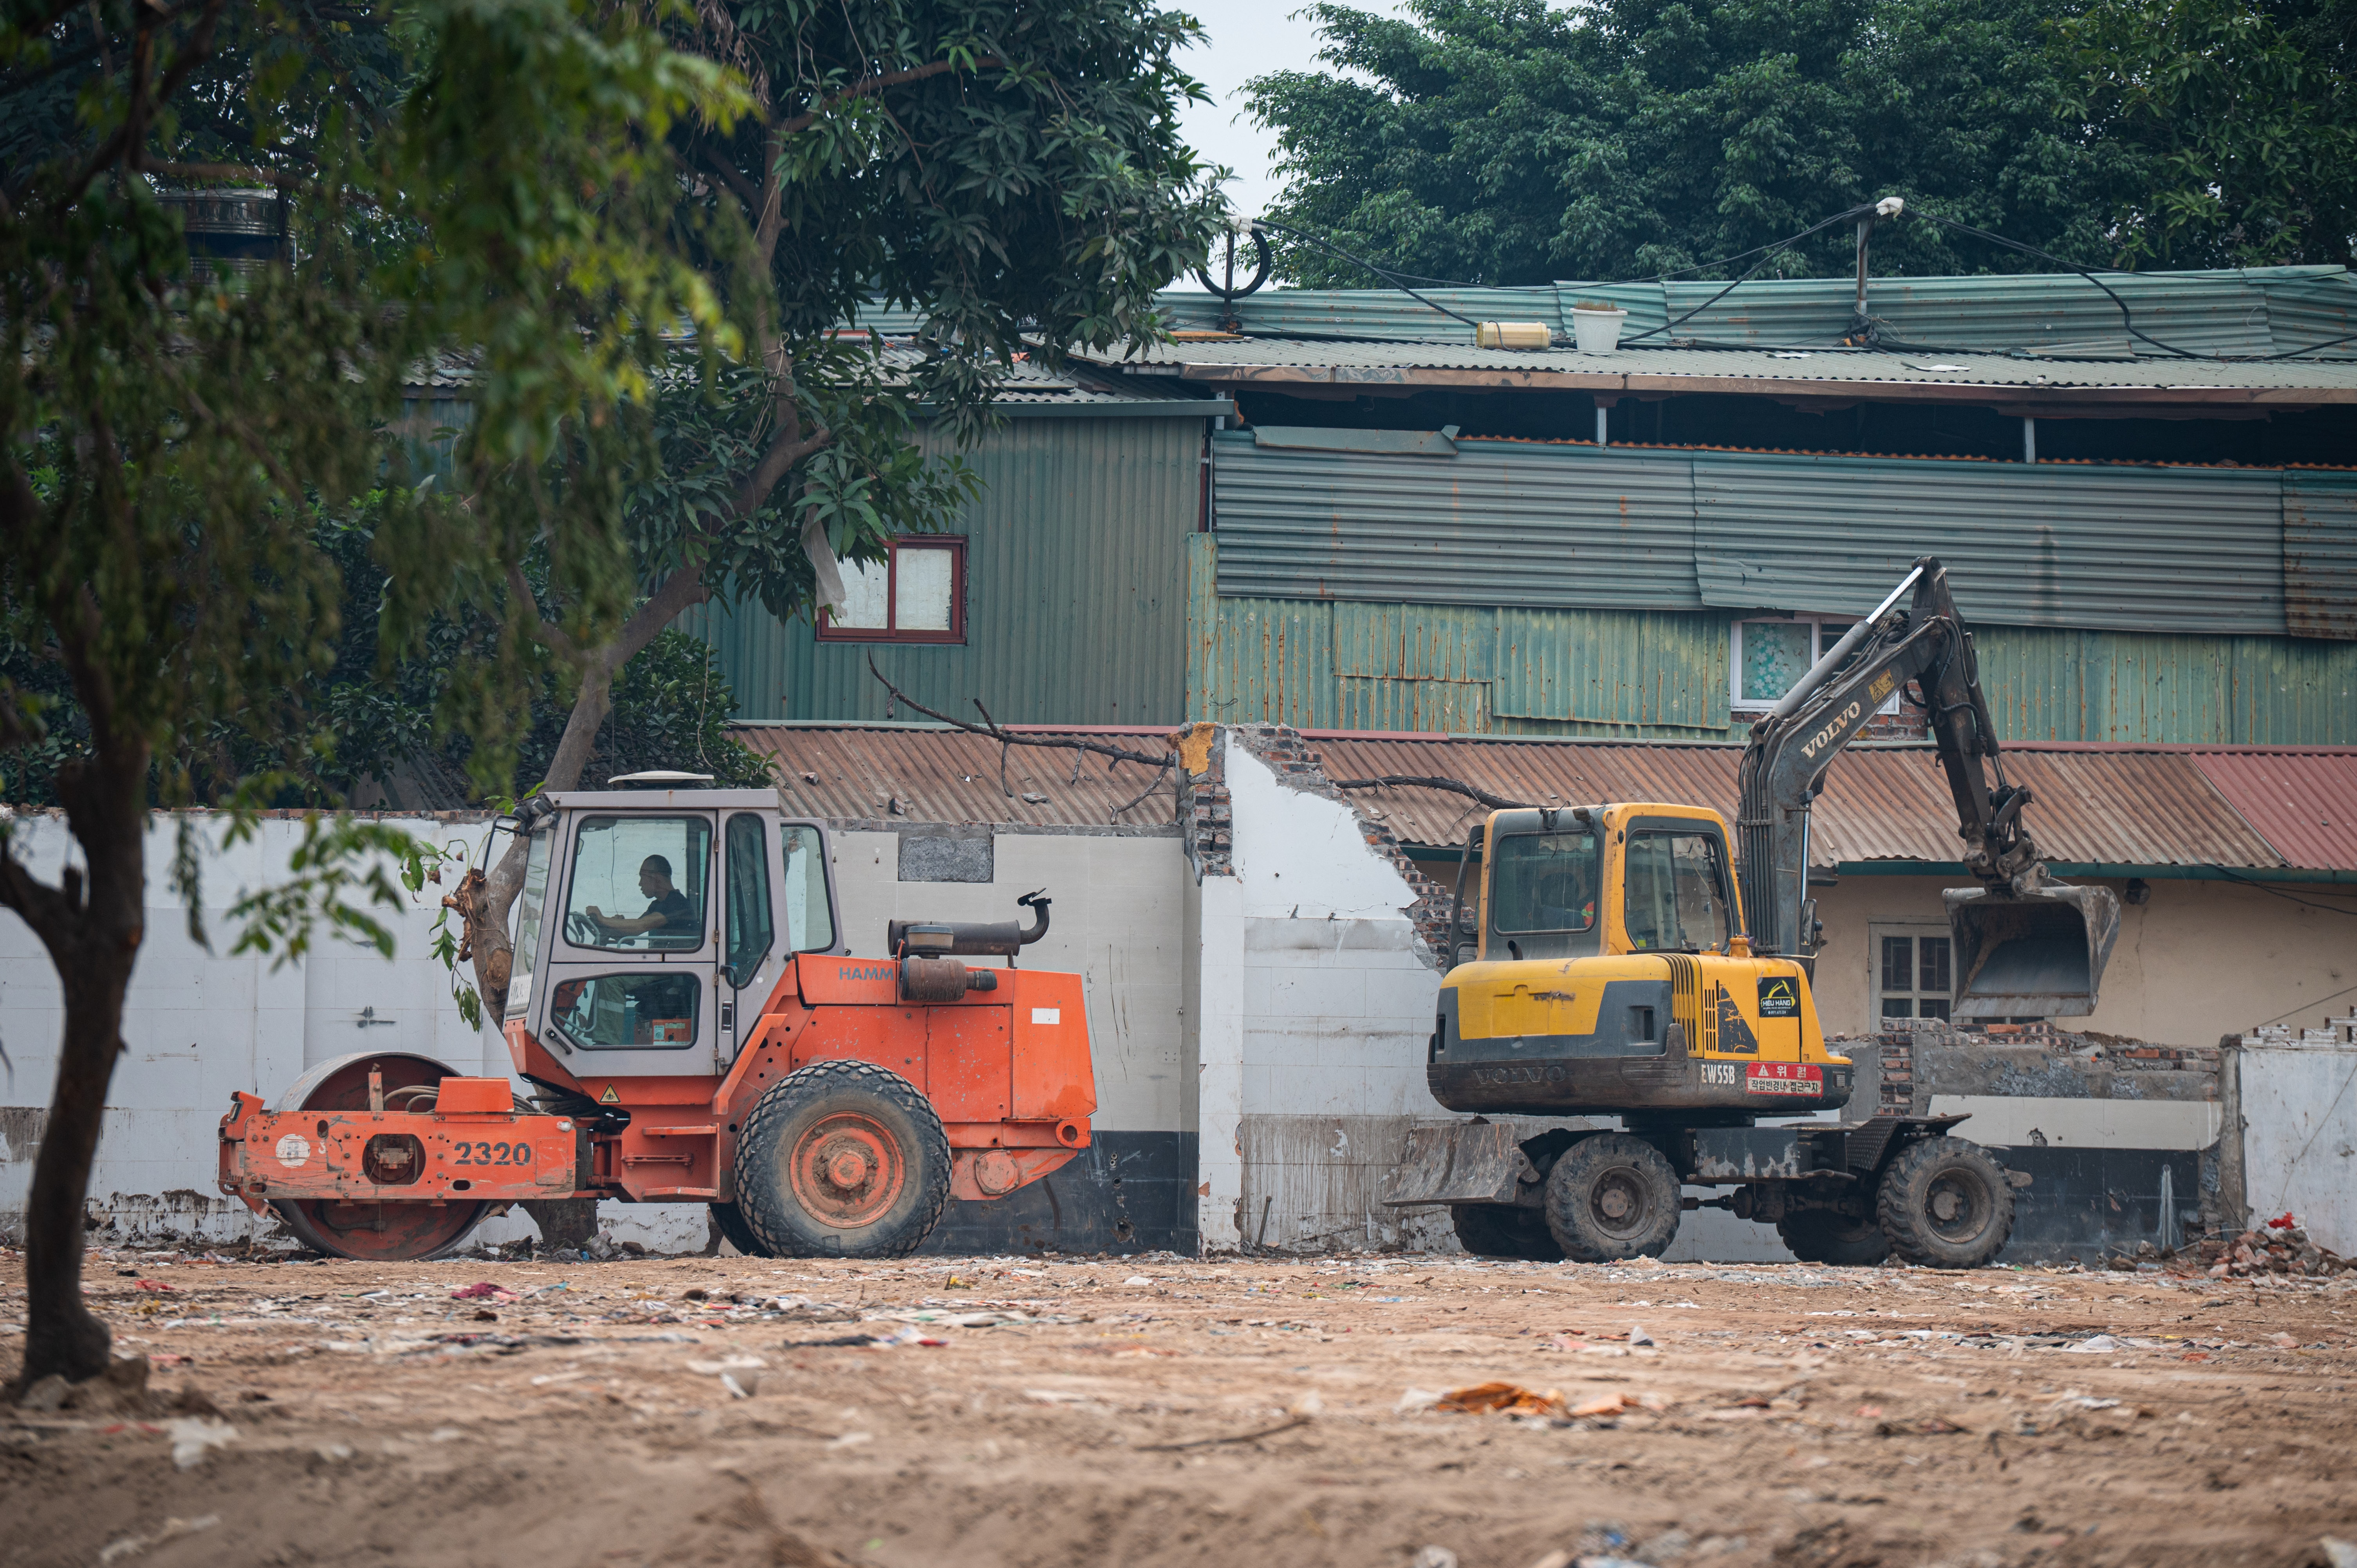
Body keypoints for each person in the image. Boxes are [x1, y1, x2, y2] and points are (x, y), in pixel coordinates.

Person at [585, 855, 697, 943]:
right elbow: (633, 933)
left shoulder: (676, 903)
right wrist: (616, 924)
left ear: (656, 878)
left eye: (642, 877)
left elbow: (641, 925)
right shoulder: (657, 905)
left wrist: (603, 919)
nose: (640, 884)